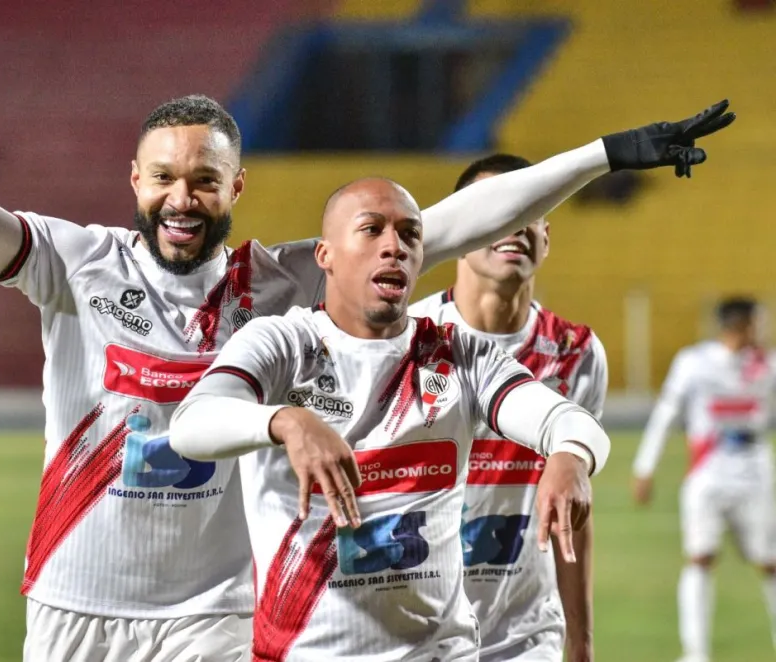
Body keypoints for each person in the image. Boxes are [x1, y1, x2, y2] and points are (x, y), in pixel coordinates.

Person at [0, 94, 733, 661]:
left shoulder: (279, 284)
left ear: (235, 187)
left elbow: (452, 223)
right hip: (75, 604)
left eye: (204, 179)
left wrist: (607, 155)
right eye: (164, 177)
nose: (182, 197)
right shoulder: (72, 263)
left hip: (217, 615)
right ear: (134, 181)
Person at [169, 176, 612, 661]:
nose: (394, 247)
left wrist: (571, 454)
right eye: (371, 229)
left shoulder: (458, 355)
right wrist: (284, 422)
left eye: (410, 235)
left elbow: (563, 418)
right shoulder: (282, 344)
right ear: (325, 256)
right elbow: (191, 425)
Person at [409, 154, 608, 662]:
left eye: (529, 212)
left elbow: (572, 509)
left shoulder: (578, 352)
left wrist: (581, 639)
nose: (514, 224)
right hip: (416, 632)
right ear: (459, 230)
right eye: (497, 210)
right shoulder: (405, 340)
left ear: (546, 237)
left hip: (526, 634)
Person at [632, 297, 776, 662]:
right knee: (700, 557)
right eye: (757, 323)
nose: (762, 331)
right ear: (741, 325)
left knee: (769, 561)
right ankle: (695, 654)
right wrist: (645, 466)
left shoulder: (766, 364)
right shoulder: (694, 363)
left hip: (755, 471)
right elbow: (666, 413)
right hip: (708, 473)